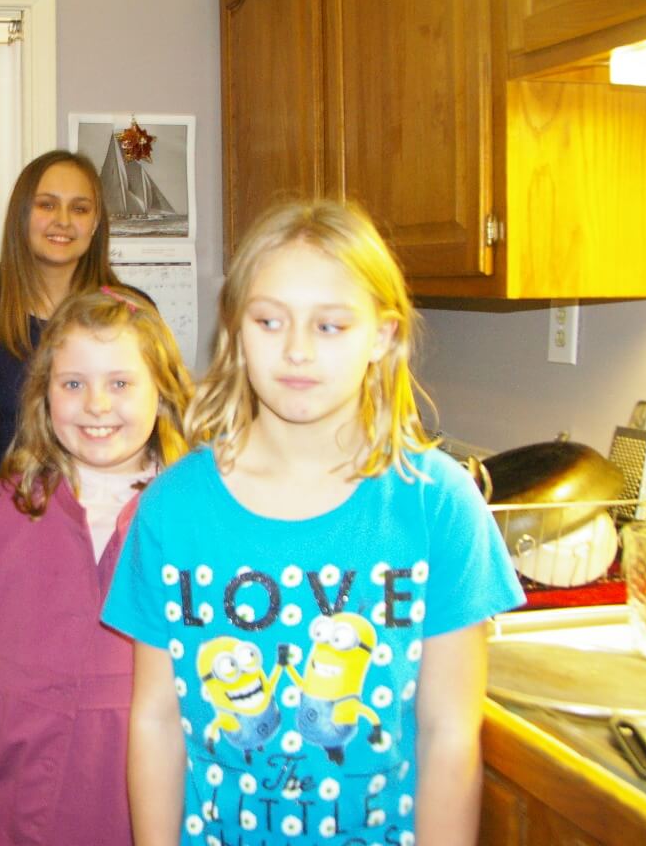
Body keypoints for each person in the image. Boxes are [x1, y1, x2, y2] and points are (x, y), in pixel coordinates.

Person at [102, 200, 525, 846]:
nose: (296, 351)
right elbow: (156, 720)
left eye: (330, 327)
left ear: (381, 336)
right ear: (236, 327)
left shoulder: (439, 505)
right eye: (269, 321)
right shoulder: (172, 508)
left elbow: (448, 736)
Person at [0, 287, 194, 845]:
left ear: (162, 393)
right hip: (10, 812)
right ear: (43, 396)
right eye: (74, 384)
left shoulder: (196, 516)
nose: (97, 405)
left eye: (121, 383)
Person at [0, 149, 121, 472]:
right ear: (22, 215)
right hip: (12, 508)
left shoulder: (129, 315)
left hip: (105, 510)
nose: (63, 220)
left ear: (95, 224)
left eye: (79, 209)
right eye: (47, 205)